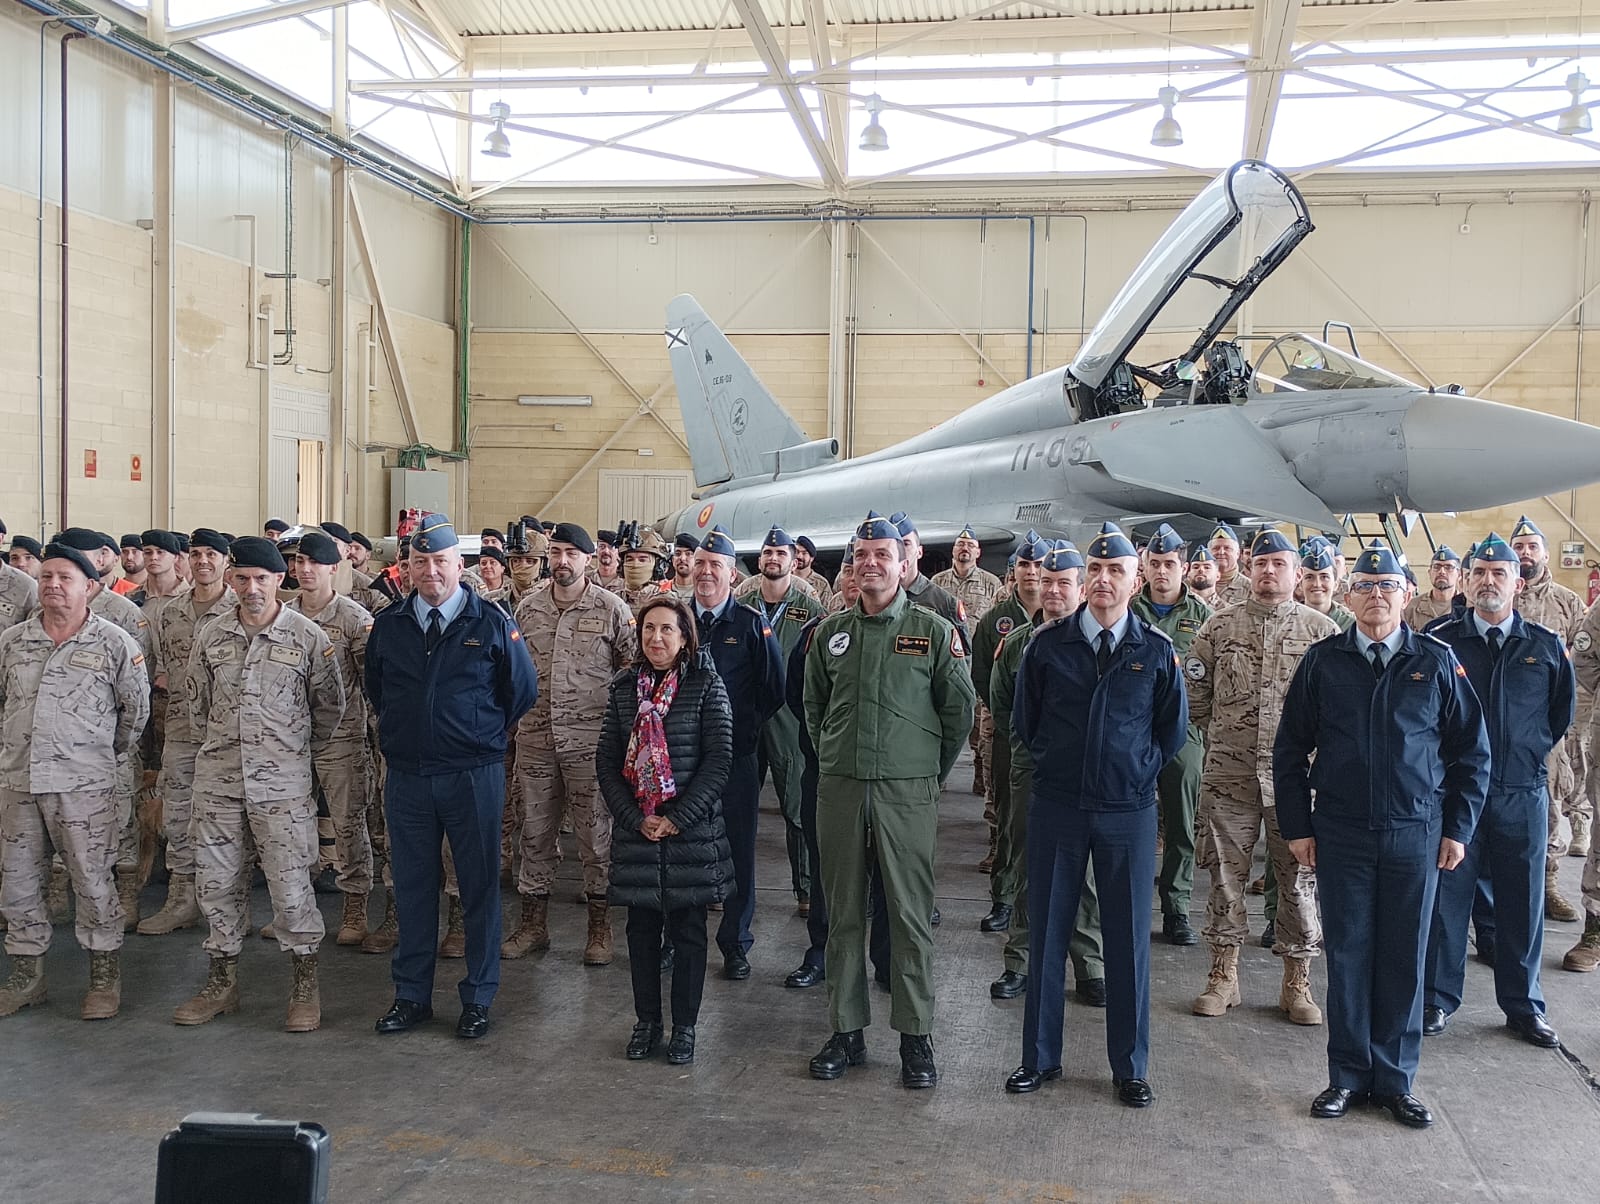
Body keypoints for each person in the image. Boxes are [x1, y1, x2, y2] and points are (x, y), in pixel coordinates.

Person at [1275, 542, 1489, 1129]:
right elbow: (1290, 748)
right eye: (1366, 586)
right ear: (1348, 596)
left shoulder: (1436, 661)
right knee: (1347, 955)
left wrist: (1458, 828)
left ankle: (1395, 1081)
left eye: (1388, 586)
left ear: (1407, 594)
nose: (1377, 596)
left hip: (1415, 834)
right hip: (1340, 832)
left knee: (1403, 956)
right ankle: (1346, 1077)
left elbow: (1472, 752)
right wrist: (1298, 827)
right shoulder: (1324, 661)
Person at [1005, 524, 1186, 1106]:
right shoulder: (1048, 646)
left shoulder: (1155, 651)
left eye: (1117, 571)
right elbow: (1027, 723)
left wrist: (1132, 772)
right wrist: (1061, 766)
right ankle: (1038, 1058)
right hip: (1058, 807)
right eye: (1096, 571)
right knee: (1048, 933)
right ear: (1084, 580)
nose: (1105, 580)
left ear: (1136, 581)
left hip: (1126, 814)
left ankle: (1130, 1067)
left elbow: (1171, 731)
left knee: (1128, 940)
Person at [805, 513, 974, 1090]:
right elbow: (814, 708)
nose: (871, 563)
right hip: (842, 788)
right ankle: (845, 1031)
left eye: (883, 554)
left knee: (907, 915)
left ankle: (915, 1036)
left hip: (907, 792)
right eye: (862, 555)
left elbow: (958, 714)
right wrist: (835, 757)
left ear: (904, 563)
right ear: (850, 566)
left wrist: (924, 772)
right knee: (843, 912)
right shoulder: (830, 634)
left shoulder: (931, 630)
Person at [367, 514, 538, 1040]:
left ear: (458, 565)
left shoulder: (490, 621)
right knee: (415, 887)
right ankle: (411, 995)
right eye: (420, 562)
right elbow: (377, 690)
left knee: (479, 886)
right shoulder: (392, 625)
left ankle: (478, 996)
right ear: (408, 568)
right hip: (409, 777)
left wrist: (477, 734)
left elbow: (522, 691)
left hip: (472, 774)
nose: (431, 571)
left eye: (440, 561)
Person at [174, 537, 346, 1033]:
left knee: (292, 887)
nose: (251, 588)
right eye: (243, 577)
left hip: (283, 787)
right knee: (217, 883)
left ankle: (304, 987)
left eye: (262, 578)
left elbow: (328, 709)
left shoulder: (308, 637)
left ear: (280, 580)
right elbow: (198, 705)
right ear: (231, 579)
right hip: (220, 782)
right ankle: (221, 983)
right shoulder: (211, 635)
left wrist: (286, 752)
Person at [1422, 535, 1573, 1046]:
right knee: (1447, 903)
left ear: (1519, 582)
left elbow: (1558, 717)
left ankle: (1524, 1006)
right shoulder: (1439, 641)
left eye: (1499, 573)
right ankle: (1437, 1000)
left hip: (1520, 793)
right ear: (1464, 581)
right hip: (1455, 795)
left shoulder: (1545, 646)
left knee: (1522, 904)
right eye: (1480, 572)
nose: (1489, 581)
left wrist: (1525, 755)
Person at [1187, 529, 1336, 1025]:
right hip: (1229, 777)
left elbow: (1336, 715)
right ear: (1249, 568)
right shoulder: (1218, 628)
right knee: (1225, 879)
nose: (1269, 571)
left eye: (1280, 563)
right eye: (1262, 563)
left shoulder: (1322, 633)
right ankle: (1222, 977)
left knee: (1297, 881)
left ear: (1298, 573)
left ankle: (1297, 982)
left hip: (1296, 784)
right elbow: (1197, 698)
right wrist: (1229, 737)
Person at [0, 544, 149, 1021]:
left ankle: (104, 977)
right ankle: (27, 978)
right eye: (45, 577)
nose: (52, 586)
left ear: (91, 586)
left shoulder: (113, 643)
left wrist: (100, 755)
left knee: (91, 880)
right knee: (18, 883)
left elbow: (135, 713)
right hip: (19, 780)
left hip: (83, 784)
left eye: (65, 577)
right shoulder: (14, 642)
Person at [598, 595, 733, 1065]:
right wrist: (637, 819)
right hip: (639, 831)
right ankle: (647, 1022)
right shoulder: (622, 689)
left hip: (689, 834)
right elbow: (607, 763)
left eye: (667, 630)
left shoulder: (705, 686)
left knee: (690, 932)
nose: (657, 638)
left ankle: (686, 1028)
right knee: (640, 933)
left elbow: (719, 762)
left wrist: (677, 818)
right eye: (648, 629)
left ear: (684, 637)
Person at [503, 523, 633, 966]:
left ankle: (600, 929)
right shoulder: (528, 609)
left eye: (570, 554)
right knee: (535, 833)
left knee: (595, 838)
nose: (561, 561)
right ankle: (533, 925)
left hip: (590, 744)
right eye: (555, 552)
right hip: (537, 740)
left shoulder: (613, 609)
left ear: (589, 558)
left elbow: (629, 673)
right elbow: (514, 673)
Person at [988, 541, 1108, 1007]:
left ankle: (1089, 965)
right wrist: (1033, 752)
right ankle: (1020, 961)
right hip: (1032, 773)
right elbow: (1003, 707)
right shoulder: (1018, 644)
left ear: (1081, 589)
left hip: (1085, 779)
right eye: (1046, 581)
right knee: (1026, 865)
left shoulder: (1101, 642)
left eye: (1063, 582)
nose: (1052, 590)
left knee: (1087, 875)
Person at [689, 527, 784, 979]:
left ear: (732, 573)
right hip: (681, 762)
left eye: (716, 566)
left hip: (734, 760)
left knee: (738, 851)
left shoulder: (749, 624)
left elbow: (773, 689)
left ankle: (735, 941)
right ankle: (680, 938)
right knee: (681, 850)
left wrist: (741, 730)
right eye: (700, 564)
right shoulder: (673, 618)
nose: (706, 573)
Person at [137, 531, 237, 935]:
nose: (202, 561)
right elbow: (163, 666)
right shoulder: (168, 613)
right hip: (181, 726)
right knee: (177, 812)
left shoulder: (239, 608)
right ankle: (181, 898)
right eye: (195, 554)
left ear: (225, 560)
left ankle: (227, 903)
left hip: (227, 731)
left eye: (211, 554)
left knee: (227, 819)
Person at [288, 531, 378, 947]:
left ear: (332, 568)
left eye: (313, 564)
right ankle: (296, 907)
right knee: (292, 827)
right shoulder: (283, 616)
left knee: (348, 824)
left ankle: (355, 905)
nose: (304, 571)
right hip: (290, 740)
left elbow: (374, 684)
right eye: (299, 563)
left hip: (341, 739)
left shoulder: (354, 619)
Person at [735, 526, 826, 918]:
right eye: (767, 552)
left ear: (794, 560)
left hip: (790, 718)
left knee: (797, 810)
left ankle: (805, 890)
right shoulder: (742, 605)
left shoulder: (812, 609)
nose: (773, 559)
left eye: (781, 553)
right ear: (760, 560)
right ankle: (729, 887)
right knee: (735, 809)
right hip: (746, 718)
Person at [1130, 523, 1213, 946]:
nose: (1162, 572)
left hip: (1185, 734)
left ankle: (1177, 906)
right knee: (1132, 821)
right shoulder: (1127, 612)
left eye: (1170, 564)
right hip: (1133, 734)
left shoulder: (1205, 618)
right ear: (1144, 566)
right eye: (1155, 563)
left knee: (1182, 823)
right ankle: (1129, 902)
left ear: (1184, 567)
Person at [1507, 515, 1589, 921]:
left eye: (1531, 546)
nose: (1525, 554)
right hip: (1503, 718)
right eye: (1518, 547)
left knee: (1550, 804)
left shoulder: (1567, 602)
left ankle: (1548, 885)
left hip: (1548, 723)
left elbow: (1581, 662)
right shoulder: (1502, 593)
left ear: (1544, 552)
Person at [971, 530, 1049, 922]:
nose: (1032, 572)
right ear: (1013, 571)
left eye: (1039, 564)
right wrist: (1010, 723)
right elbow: (984, 673)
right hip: (1007, 733)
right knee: (1006, 814)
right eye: (1025, 564)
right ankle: (1003, 897)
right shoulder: (996, 620)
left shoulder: (1068, 616)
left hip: (1055, 742)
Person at [933, 525, 1003, 797]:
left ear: (978, 552)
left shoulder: (990, 583)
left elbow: (997, 624)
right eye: (960, 545)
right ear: (953, 550)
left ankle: (979, 774)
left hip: (975, 661)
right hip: (945, 662)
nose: (965, 549)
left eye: (970, 545)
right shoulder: (938, 582)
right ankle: (939, 774)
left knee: (977, 724)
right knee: (942, 718)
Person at [1299, 539, 1355, 631]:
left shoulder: (1350, 625)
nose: (1317, 584)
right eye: (1309, 577)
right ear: (1300, 584)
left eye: (1324, 577)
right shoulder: (1286, 620)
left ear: (1336, 584)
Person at [1403, 546, 1462, 630]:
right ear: (1429, 572)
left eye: (1448, 567)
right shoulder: (1411, 607)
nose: (1442, 572)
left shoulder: (1466, 607)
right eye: (1436, 567)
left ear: (1459, 574)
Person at [1209, 523, 1250, 607]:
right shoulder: (1192, 585)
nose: (1221, 552)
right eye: (1216, 548)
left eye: (1227, 548)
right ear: (1208, 553)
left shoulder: (1250, 588)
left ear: (1238, 553)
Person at [793, 536, 834, 608]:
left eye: (804, 553)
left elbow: (826, 611)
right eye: (797, 552)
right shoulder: (784, 579)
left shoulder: (821, 584)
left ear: (811, 558)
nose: (799, 556)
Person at [1187, 543, 1219, 608]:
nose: (1201, 570)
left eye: (1207, 567)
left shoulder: (1228, 610)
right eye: (1196, 567)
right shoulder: (1177, 607)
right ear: (1188, 575)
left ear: (1218, 576)